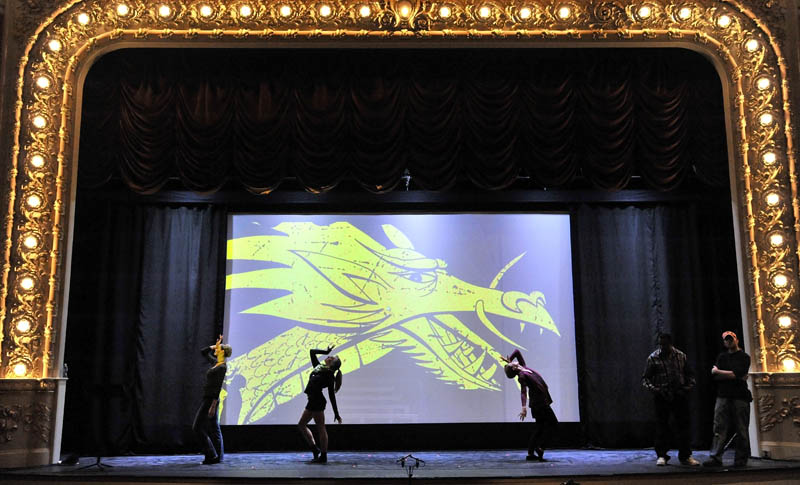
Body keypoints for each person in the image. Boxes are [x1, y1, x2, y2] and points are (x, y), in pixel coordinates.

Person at [641, 333, 701, 466]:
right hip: (662, 395)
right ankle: (662, 455)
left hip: (679, 394)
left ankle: (685, 456)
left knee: (683, 426)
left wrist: (685, 389)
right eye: (661, 345)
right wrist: (656, 390)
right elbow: (645, 379)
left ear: (670, 344)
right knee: (662, 426)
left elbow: (690, 375)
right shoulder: (653, 358)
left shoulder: (681, 356)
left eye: (665, 345)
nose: (662, 347)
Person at [703, 331, 752, 467]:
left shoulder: (744, 357)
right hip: (723, 396)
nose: (729, 341)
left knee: (741, 429)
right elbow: (716, 377)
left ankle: (741, 459)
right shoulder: (722, 357)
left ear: (737, 340)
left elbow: (737, 374)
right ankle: (715, 457)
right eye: (726, 340)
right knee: (719, 428)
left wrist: (719, 371)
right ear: (724, 342)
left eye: (731, 339)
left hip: (740, 397)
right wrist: (731, 375)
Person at [502, 349, 558, 461]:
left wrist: (509, 359)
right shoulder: (522, 376)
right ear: (514, 368)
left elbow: (517, 352)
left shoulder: (523, 367)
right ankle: (540, 447)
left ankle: (531, 453)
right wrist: (523, 407)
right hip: (539, 404)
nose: (513, 362)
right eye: (511, 363)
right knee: (553, 424)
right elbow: (523, 391)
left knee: (539, 427)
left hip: (540, 402)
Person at [298, 345, 343, 463]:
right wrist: (326, 351)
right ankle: (315, 449)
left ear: (332, 364)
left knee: (321, 428)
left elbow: (332, 396)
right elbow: (312, 352)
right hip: (312, 401)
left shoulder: (329, 376)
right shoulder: (319, 368)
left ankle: (323, 456)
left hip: (317, 402)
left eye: (331, 357)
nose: (329, 357)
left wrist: (336, 413)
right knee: (301, 425)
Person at [193, 334, 231, 465]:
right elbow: (203, 352)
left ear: (222, 352)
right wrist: (215, 345)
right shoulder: (216, 363)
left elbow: (218, 387)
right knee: (214, 428)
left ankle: (211, 454)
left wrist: (213, 406)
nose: (216, 349)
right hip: (208, 398)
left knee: (197, 427)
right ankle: (218, 457)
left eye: (218, 348)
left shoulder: (222, 367)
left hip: (211, 400)